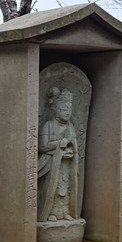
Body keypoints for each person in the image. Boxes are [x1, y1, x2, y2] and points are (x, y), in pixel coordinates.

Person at [37, 87, 80, 222]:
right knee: (53, 187)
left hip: (66, 164)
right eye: (64, 109)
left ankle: (65, 212)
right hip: (51, 164)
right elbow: (43, 146)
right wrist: (61, 143)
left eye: (70, 109)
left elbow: (73, 144)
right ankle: (51, 213)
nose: (68, 112)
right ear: (56, 109)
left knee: (66, 187)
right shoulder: (48, 125)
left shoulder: (70, 127)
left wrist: (71, 149)